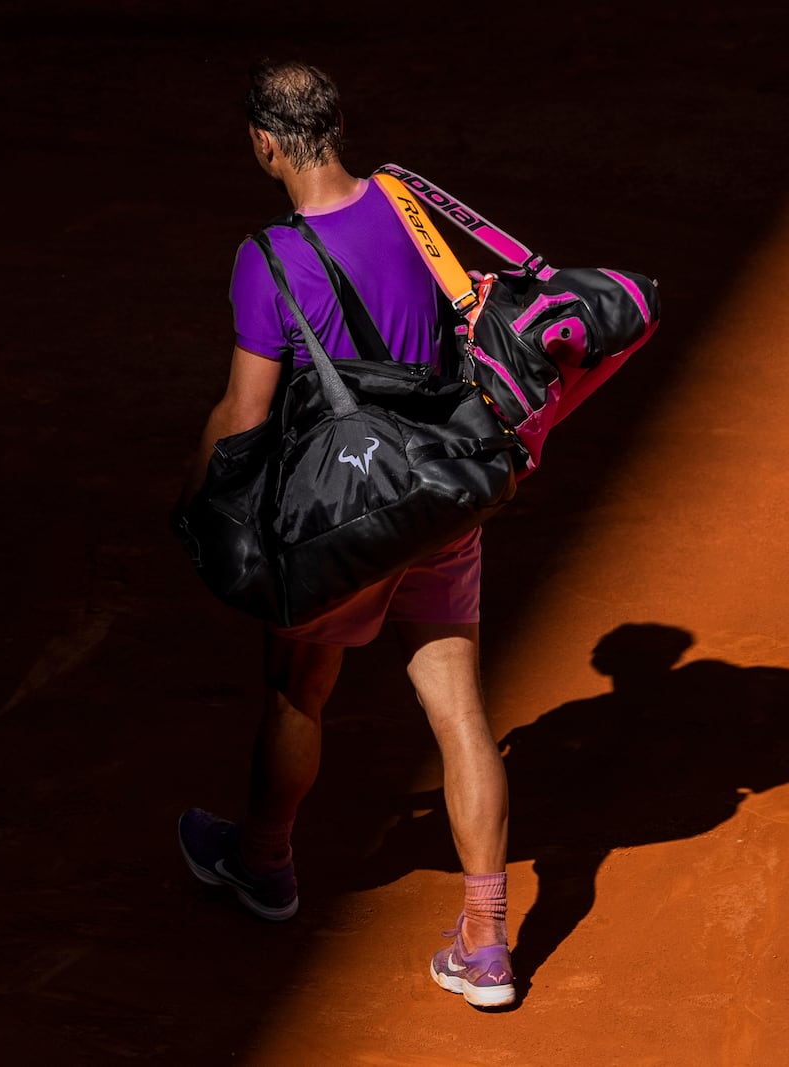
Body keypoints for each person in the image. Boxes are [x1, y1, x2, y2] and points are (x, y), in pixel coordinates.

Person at [175, 59, 514, 1010]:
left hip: (343, 520)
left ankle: (266, 863)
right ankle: (487, 940)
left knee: (296, 694)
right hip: (438, 495)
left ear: (267, 143)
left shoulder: (268, 256)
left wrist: (195, 493)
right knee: (460, 715)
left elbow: (245, 414)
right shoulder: (408, 202)